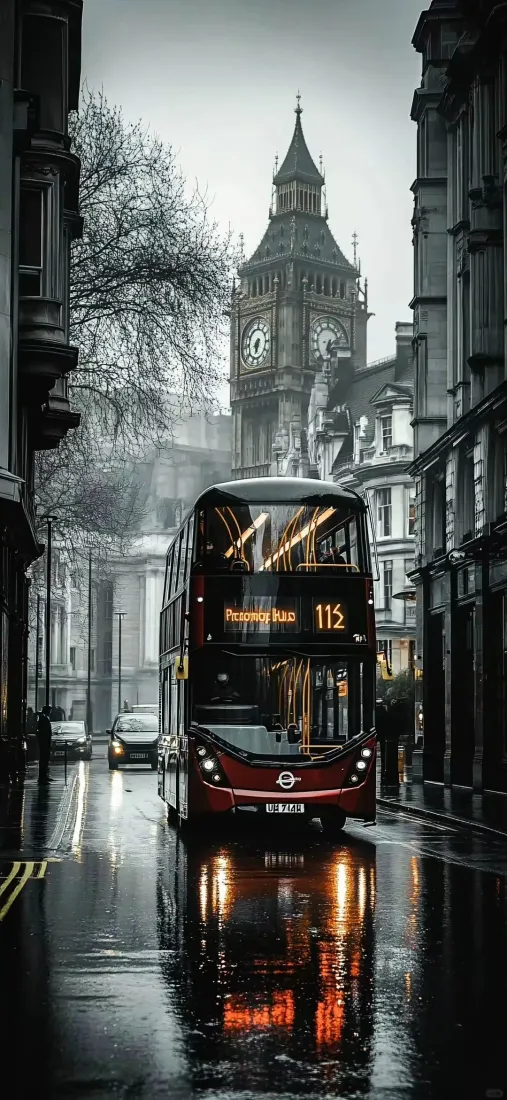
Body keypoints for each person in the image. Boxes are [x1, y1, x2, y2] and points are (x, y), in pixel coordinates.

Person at [37, 705, 53, 784]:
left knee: (45, 760)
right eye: (49, 711)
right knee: (44, 759)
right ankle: (42, 777)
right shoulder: (43, 719)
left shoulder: (44, 718)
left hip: (45, 742)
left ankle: (44, 776)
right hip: (44, 742)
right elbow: (44, 731)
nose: (50, 713)